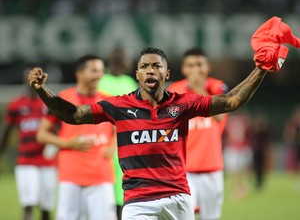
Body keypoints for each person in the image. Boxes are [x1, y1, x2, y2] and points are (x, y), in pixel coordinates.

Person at [28, 47, 268, 220]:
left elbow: (231, 101)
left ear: (167, 74)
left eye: (156, 66)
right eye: (144, 66)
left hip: (178, 198)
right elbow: (72, 114)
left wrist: (261, 69)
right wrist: (42, 91)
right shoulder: (119, 106)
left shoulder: (183, 104)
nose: (150, 70)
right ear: (137, 75)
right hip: (138, 201)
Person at [36, 55, 117, 220]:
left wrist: (114, 146)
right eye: (94, 70)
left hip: (101, 176)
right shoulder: (62, 99)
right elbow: (42, 134)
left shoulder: (108, 100)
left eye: (101, 71)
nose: (99, 75)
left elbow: (121, 129)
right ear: (79, 73)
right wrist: (67, 143)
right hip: (71, 176)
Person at [168, 47, 227, 220]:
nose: (195, 69)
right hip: (183, 171)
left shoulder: (217, 87)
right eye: (191, 65)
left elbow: (220, 116)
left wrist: (198, 89)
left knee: (211, 217)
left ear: (208, 67)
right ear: (183, 69)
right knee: (182, 216)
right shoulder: (174, 90)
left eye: (199, 64)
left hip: (212, 169)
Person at [0, 69, 57, 220]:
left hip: (47, 162)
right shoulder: (16, 105)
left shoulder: (50, 103)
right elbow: (6, 131)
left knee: (46, 208)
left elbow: (59, 128)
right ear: (25, 81)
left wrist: (55, 145)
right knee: (28, 204)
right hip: (26, 161)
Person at [97, 47, 137, 220]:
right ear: (119, 60)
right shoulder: (101, 81)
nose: (130, 62)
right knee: (105, 194)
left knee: (124, 192)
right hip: (104, 143)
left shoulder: (130, 82)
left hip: (126, 141)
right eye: (127, 58)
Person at [223, 110, 253, 200]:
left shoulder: (229, 121)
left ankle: (239, 189)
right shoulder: (244, 121)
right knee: (241, 171)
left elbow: (224, 133)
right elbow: (249, 134)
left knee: (235, 172)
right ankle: (241, 188)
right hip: (242, 148)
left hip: (233, 148)